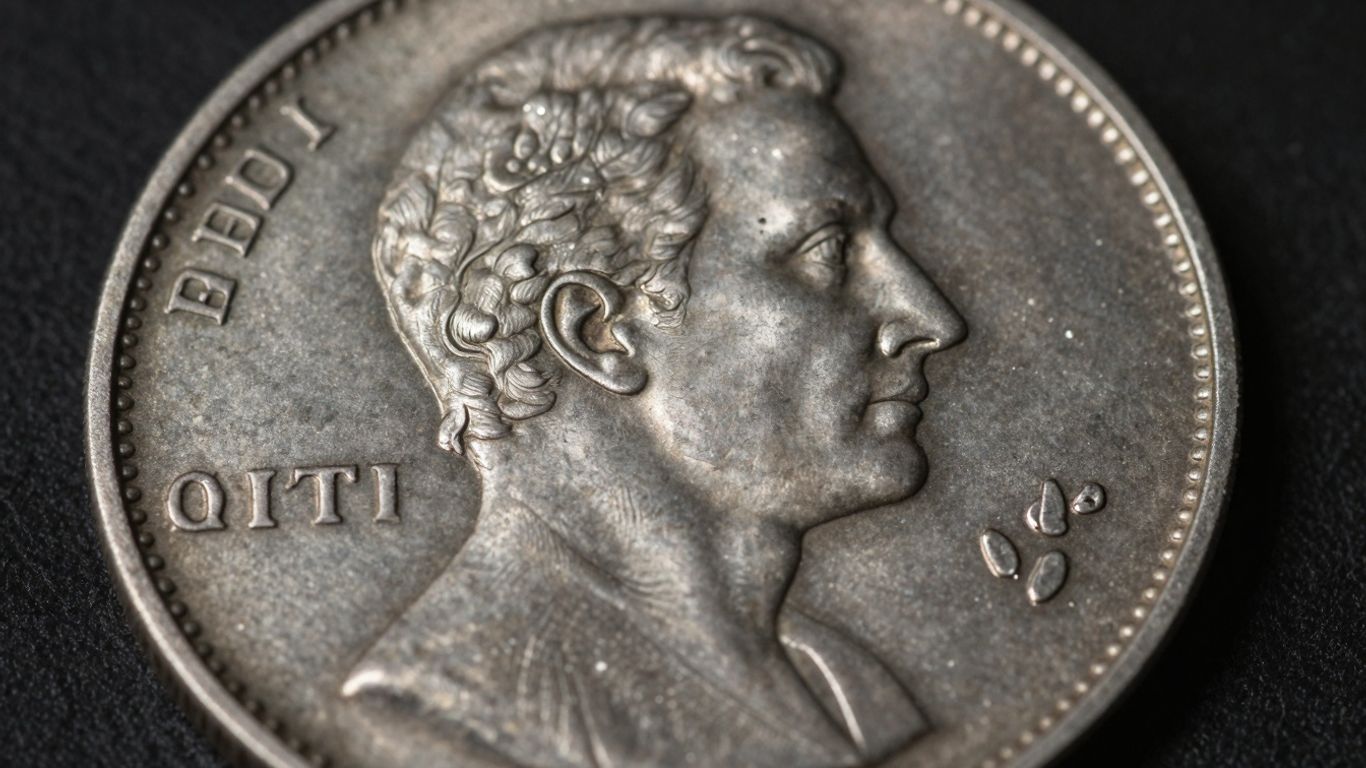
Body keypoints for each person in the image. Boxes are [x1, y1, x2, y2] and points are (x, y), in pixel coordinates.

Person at [346, 15, 967, 768]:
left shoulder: (845, 685)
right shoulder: (457, 710)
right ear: (598, 333)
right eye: (827, 250)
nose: (931, 319)